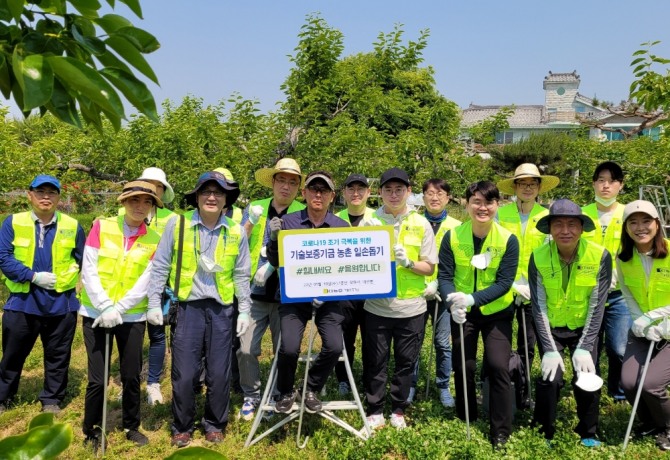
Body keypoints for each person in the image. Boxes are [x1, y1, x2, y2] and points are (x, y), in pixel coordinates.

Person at [147, 171, 251, 448]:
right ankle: (182, 426)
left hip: (222, 310)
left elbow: (241, 274)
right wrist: (154, 303)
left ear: (226, 199)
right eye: (206, 192)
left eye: (218, 193)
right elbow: (160, 266)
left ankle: (215, 424)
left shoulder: (236, 231)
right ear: (196, 197)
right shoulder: (177, 225)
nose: (212, 197)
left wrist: (245, 310)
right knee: (185, 372)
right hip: (188, 309)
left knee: (219, 372)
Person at [80, 181, 164, 450]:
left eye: (147, 202)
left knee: (130, 375)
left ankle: (131, 425)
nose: (140, 206)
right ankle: (92, 428)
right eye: (134, 201)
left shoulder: (154, 239)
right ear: (124, 202)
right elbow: (89, 269)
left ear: (152, 207)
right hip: (96, 312)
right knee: (97, 377)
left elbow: (146, 280)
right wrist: (105, 306)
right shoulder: (101, 226)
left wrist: (119, 308)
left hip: (131, 316)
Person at [438, 181, 519, 449]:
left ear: (498, 205)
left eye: (489, 202)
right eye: (476, 201)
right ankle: (467, 415)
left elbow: (505, 282)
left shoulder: (508, 239)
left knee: (497, 366)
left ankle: (500, 429)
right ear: (467, 204)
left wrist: (473, 299)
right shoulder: (452, 236)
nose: (482, 208)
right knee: (464, 365)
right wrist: (454, 302)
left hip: (496, 312)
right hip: (463, 313)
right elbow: (445, 276)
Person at [0, 175, 85, 414]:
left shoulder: (72, 225)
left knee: (58, 355)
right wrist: (32, 276)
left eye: (52, 192)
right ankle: (3, 397)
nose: (46, 196)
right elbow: (3, 258)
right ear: (30, 195)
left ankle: (51, 399)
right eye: (40, 192)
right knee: (12, 355)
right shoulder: (13, 222)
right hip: (23, 302)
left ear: (59, 197)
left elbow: (85, 259)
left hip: (62, 303)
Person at [529, 199, 610, 447]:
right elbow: (538, 305)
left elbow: (598, 305)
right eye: (559, 224)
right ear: (550, 229)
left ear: (582, 228)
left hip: (584, 329)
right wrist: (550, 349)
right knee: (549, 378)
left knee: (587, 377)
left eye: (572, 224)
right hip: (551, 328)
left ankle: (588, 432)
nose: (566, 231)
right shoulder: (538, 257)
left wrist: (585, 345)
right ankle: (544, 430)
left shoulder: (600, 256)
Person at [266, 171, 349, 412]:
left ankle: (309, 387)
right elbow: (275, 259)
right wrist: (273, 239)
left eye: (324, 191)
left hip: (329, 299)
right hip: (294, 298)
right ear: (304, 193)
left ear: (332, 196)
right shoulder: (289, 223)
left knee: (334, 346)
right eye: (314, 189)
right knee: (290, 347)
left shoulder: (341, 227)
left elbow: (346, 269)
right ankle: (285, 390)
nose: (318, 194)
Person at [362, 168, 437, 430]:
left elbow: (430, 267)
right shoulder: (369, 222)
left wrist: (409, 263)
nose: (393, 195)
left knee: (406, 362)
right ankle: (374, 408)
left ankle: (398, 409)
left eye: (399, 189)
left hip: (411, 308)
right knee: (375, 360)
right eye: (388, 190)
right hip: (376, 307)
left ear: (408, 191)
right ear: (380, 192)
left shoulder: (421, 223)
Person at [237, 158, 305, 421]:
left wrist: (273, 266)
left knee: (284, 349)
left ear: (298, 187)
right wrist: (251, 223)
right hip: (253, 293)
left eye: (292, 182)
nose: (286, 187)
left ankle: (279, 393)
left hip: (287, 294)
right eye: (281, 180)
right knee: (245, 348)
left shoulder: (302, 211)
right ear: (273, 182)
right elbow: (238, 243)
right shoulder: (255, 208)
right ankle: (251, 394)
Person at [496, 163, 559, 407]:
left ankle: (523, 391)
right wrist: (511, 283)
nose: (527, 188)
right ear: (515, 187)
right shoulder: (502, 214)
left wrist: (534, 286)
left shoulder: (546, 217)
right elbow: (496, 249)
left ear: (539, 187)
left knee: (528, 341)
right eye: (522, 183)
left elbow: (551, 255)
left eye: (532, 183)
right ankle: (500, 384)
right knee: (499, 339)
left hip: (534, 289)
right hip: (505, 285)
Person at [618, 200, 670, 451]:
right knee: (628, 382)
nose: (640, 227)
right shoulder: (624, 259)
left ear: (656, 224)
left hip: (668, 329)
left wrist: (656, 318)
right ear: (626, 228)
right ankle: (650, 422)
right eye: (633, 222)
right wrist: (641, 320)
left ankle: (667, 427)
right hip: (642, 328)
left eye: (646, 221)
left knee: (650, 384)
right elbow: (628, 294)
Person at [408, 178, 461, 407]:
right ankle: (410, 384)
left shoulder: (457, 226)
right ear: (423, 196)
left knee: (442, 342)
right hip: (416, 291)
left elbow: (458, 263)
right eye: (429, 193)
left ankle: (443, 386)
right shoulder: (415, 222)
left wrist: (440, 284)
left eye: (440, 193)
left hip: (443, 294)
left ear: (448, 197)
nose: (435, 197)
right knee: (413, 342)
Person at [581, 161, 630, 402]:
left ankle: (618, 391)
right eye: (601, 180)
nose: (605, 185)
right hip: (588, 293)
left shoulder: (629, 214)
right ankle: (592, 389)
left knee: (618, 349)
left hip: (619, 293)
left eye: (611, 181)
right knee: (590, 347)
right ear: (593, 183)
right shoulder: (582, 214)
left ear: (620, 185)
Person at [133, 167, 176, 406]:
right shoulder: (126, 213)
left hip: (159, 287)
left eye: (157, 186)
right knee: (131, 337)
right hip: (128, 287)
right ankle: (129, 380)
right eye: (147, 184)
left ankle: (153, 382)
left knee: (157, 336)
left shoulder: (172, 219)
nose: (152, 189)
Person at [333, 173, 376, 395]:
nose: (356, 193)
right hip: (344, 292)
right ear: (344, 193)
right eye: (351, 189)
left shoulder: (378, 218)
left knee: (372, 340)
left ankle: (369, 381)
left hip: (370, 292)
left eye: (361, 189)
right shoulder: (335, 219)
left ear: (369, 192)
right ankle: (343, 379)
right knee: (345, 338)